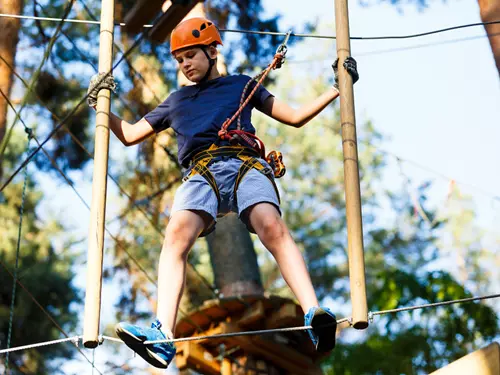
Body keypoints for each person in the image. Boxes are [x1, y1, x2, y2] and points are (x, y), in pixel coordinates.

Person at [87, 17, 359, 369]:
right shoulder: (177, 101)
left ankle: (314, 315)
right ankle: (162, 334)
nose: (184, 64)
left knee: (271, 227)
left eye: (190, 56)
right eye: (179, 59)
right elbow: (130, 134)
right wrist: (101, 105)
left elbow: (293, 117)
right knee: (175, 238)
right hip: (201, 173)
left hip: (245, 165)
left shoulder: (241, 86)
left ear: (212, 51)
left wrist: (339, 86)